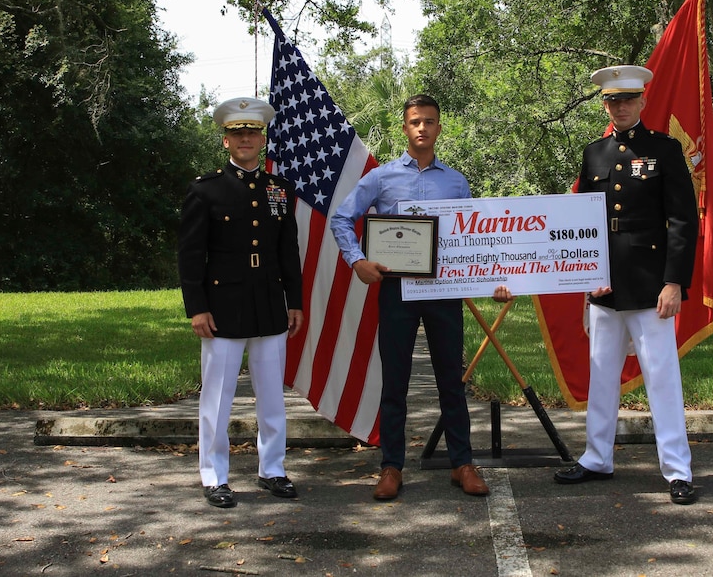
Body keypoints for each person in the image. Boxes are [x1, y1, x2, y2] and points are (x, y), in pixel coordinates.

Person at [329, 94, 490, 501]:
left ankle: (462, 463)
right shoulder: (381, 179)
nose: (422, 127)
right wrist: (357, 260)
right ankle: (391, 466)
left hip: (443, 292)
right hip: (397, 291)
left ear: (439, 127)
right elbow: (342, 217)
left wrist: (492, 279)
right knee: (395, 382)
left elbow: (471, 239)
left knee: (450, 381)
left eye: (430, 121)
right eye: (415, 121)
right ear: (405, 128)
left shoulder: (456, 182)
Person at [553, 64, 700, 505]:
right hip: (604, 283)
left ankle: (677, 469)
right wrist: (587, 275)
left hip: (651, 282)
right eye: (612, 100)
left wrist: (674, 281)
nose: (620, 107)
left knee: (661, 375)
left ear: (642, 101)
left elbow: (683, 220)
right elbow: (583, 223)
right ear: (605, 104)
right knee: (601, 374)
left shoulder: (665, 150)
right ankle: (597, 457)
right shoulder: (593, 153)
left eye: (628, 99)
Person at [178, 97, 304, 509]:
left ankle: (273, 469)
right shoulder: (205, 191)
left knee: (272, 395)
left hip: (269, 303)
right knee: (216, 397)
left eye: (252, 132)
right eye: (237, 133)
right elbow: (191, 256)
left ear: (262, 138)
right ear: (225, 141)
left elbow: (289, 252)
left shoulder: (279, 190)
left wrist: (295, 301)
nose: (245, 139)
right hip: (222, 307)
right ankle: (214, 476)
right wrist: (197, 307)